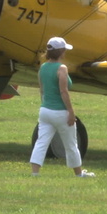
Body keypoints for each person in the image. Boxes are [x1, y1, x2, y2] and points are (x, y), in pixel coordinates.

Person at [30, 37, 95, 178]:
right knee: (71, 144)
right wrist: (71, 112)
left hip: (45, 110)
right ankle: (79, 174)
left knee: (41, 142)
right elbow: (63, 91)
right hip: (60, 112)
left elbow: (42, 90)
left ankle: (35, 173)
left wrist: (45, 105)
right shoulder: (62, 68)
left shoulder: (43, 67)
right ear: (61, 52)